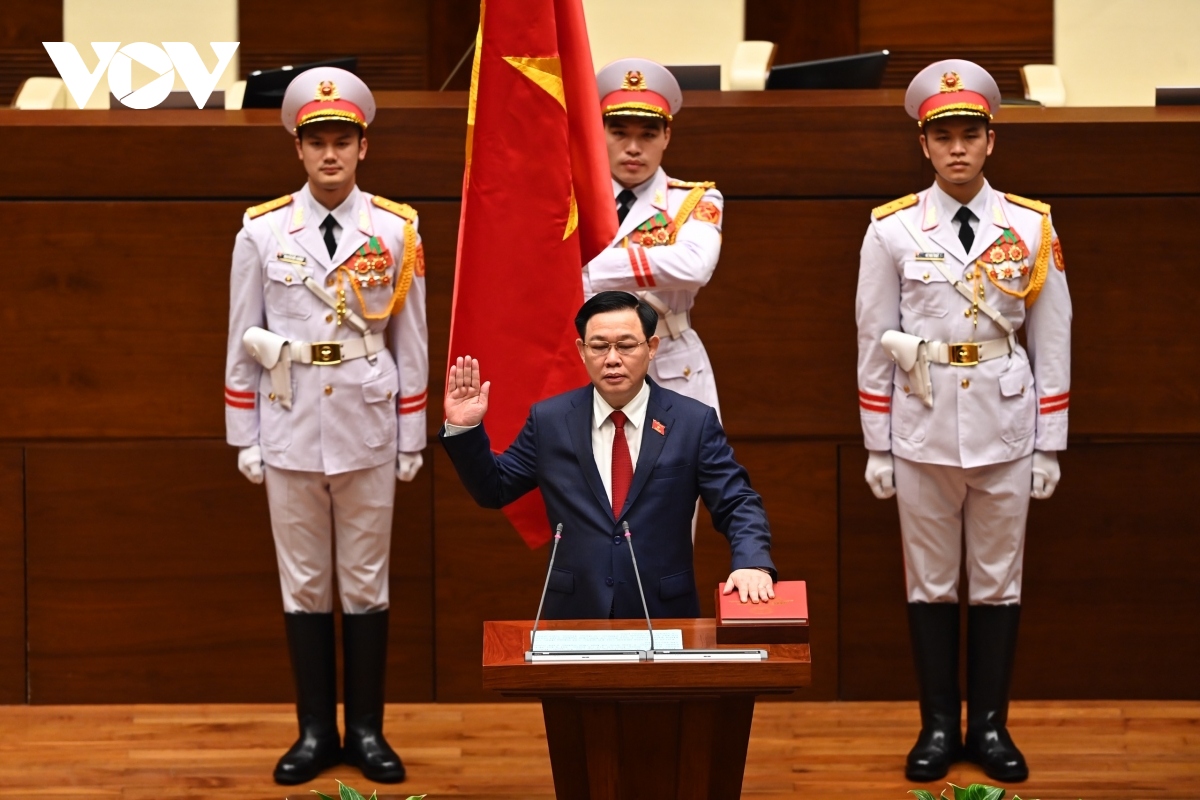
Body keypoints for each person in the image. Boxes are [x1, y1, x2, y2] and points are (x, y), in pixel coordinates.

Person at [855, 60, 1071, 784]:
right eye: (942, 135)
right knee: (930, 581)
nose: (956, 148)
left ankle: (991, 725)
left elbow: (1053, 338)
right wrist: (877, 444)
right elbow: (871, 336)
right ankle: (939, 726)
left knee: (998, 580)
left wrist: (1050, 442)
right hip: (920, 424)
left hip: (1006, 425)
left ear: (990, 142)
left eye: (969, 134)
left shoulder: (1031, 225)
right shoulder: (891, 229)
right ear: (923, 144)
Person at [224, 66, 428, 786]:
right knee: (305, 582)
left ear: (364, 147)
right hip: (288, 418)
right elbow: (241, 335)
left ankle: (367, 730)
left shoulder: (396, 229)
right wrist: (242, 434)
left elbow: (412, 339)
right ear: (299, 151)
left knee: (366, 581)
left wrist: (412, 434)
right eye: (318, 143)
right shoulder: (262, 230)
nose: (331, 155)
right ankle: (315, 731)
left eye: (344, 141)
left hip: (368, 423)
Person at [439, 291, 775, 619]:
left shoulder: (692, 422)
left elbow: (737, 503)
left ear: (652, 348)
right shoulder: (550, 421)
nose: (612, 358)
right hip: (575, 614)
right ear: (582, 352)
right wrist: (464, 431)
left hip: (663, 614)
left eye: (626, 345)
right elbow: (494, 488)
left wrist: (752, 562)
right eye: (599, 346)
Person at [585, 58, 724, 418]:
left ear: (666, 136)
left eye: (647, 134)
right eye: (619, 133)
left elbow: (694, 267)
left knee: (682, 471)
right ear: (598, 133)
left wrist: (590, 269)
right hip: (591, 361)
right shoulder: (570, 203)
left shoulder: (695, 199)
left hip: (670, 364)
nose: (634, 147)